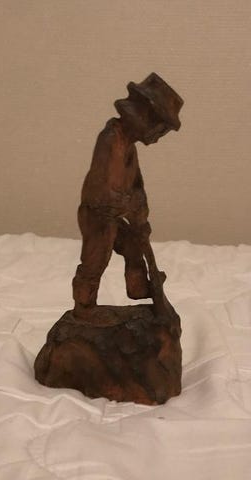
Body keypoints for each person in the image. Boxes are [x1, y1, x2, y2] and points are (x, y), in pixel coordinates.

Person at [72, 73, 183, 319]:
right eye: (160, 128)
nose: (158, 136)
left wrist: (140, 218)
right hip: (98, 216)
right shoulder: (112, 139)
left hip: (114, 213)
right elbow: (104, 193)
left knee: (134, 245)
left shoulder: (128, 144)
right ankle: (84, 307)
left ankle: (138, 288)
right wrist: (131, 207)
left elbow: (136, 186)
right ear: (144, 117)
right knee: (95, 260)